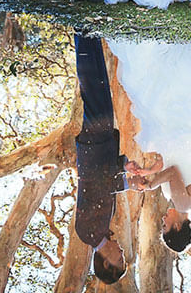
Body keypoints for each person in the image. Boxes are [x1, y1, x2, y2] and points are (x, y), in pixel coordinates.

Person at [71, 33, 126, 284]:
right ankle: (89, 33)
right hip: (101, 146)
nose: (122, 252)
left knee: (92, 85)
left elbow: (95, 185)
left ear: (106, 262)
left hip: (94, 146)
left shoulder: (87, 233)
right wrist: (125, 167)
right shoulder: (101, 229)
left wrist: (127, 183)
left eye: (119, 259)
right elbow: (106, 185)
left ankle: (83, 32)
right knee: (97, 85)